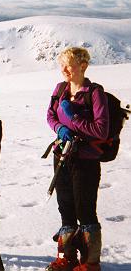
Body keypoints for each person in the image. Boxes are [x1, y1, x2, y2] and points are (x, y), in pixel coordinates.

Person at [46, 47, 109, 271]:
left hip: (86, 159)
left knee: (85, 209)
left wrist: (72, 117)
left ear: (82, 66)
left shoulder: (94, 93)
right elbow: (50, 116)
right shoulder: (60, 89)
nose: (64, 70)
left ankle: (91, 263)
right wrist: (60, 128)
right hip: (62, 155)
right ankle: (68, 257)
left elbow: (101, 130)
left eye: (69, 65)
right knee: (66, 208)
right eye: (62, 65)